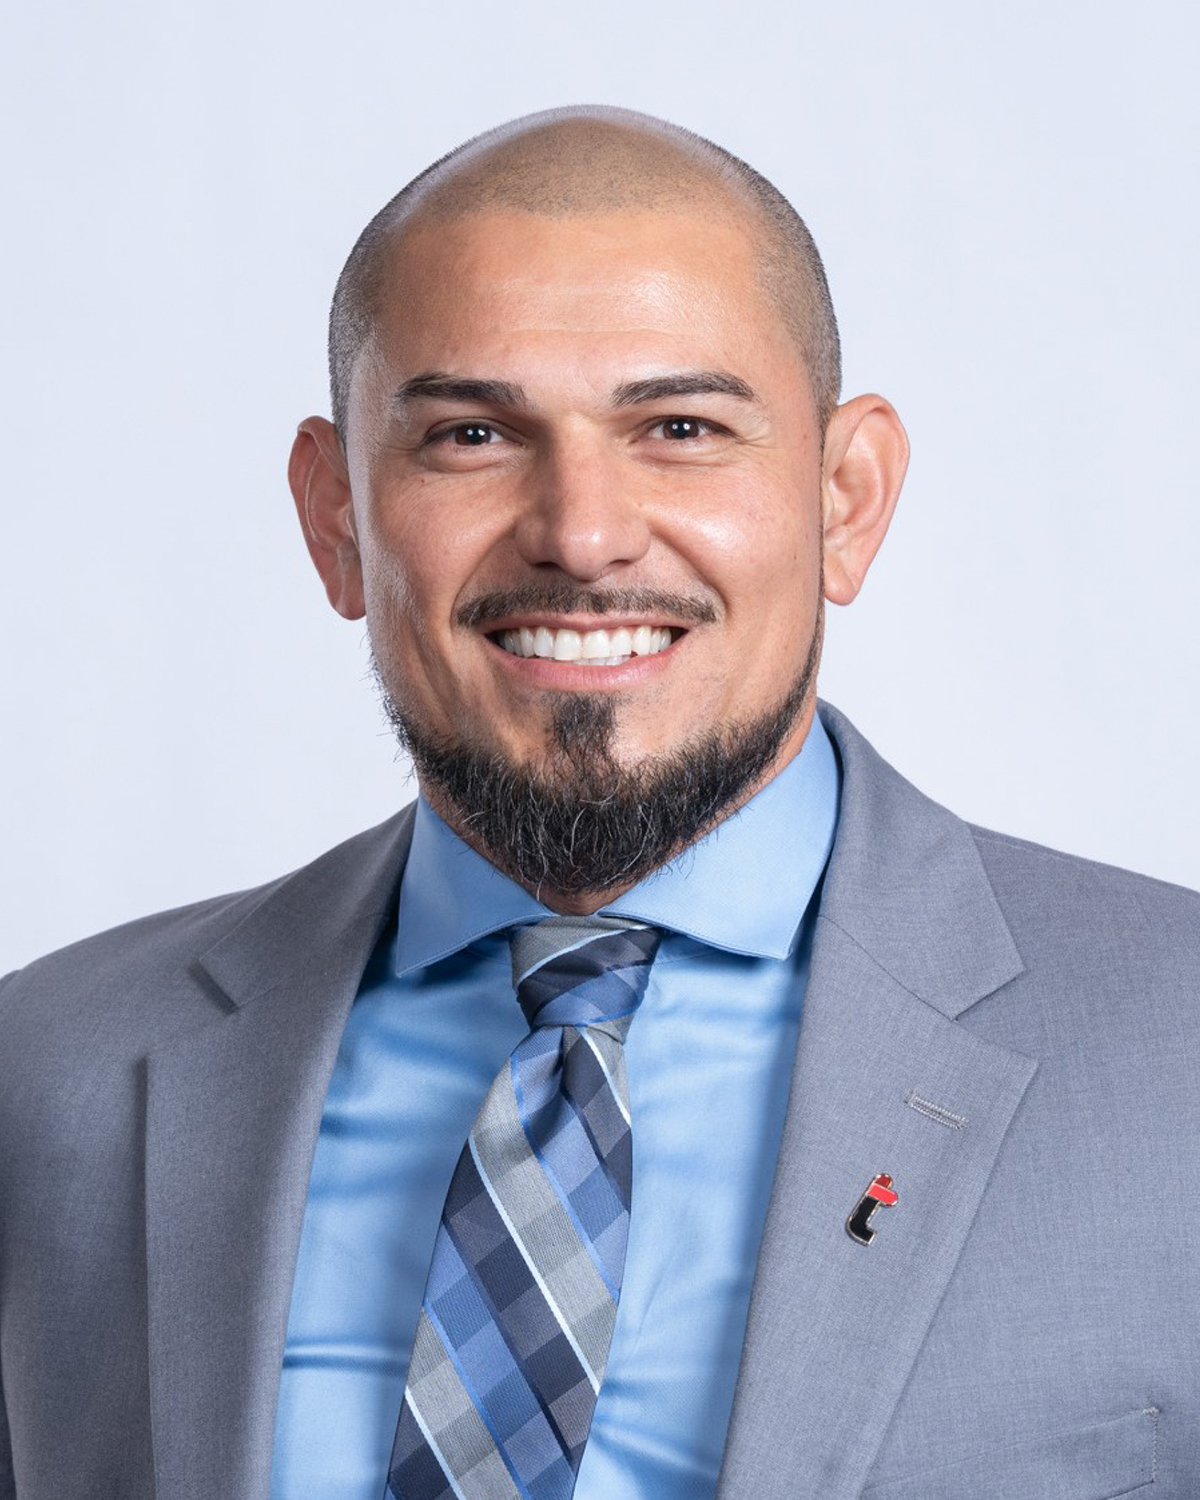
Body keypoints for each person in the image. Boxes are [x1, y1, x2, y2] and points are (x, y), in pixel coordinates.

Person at [1, 105, 1197, 1500]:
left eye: (681, 427)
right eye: (470, 435)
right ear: (337, 518)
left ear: (845, 498)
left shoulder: (1177, 1050)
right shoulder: (48, 1072)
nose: (580, 534)